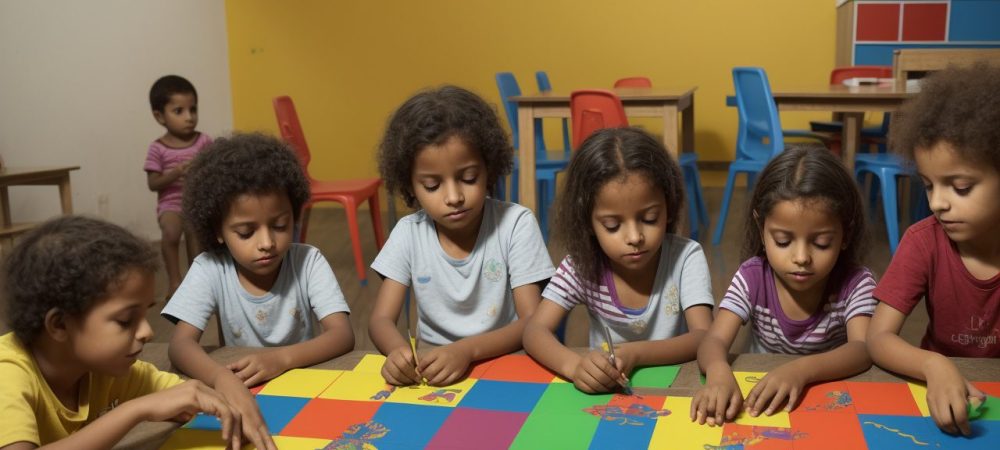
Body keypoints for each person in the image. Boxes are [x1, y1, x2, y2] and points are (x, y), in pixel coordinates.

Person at [163, 133, 354, 450]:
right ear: (218, 231)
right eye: (246, 231)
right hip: (244, 392)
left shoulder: (308, 261)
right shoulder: (210, 268)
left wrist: (281, 359)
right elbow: (180, 346)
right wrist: (221, 378)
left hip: (306, 383)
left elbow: (342, 335)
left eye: (280, 225)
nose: (267, 242)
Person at [0, 216, 243, 450]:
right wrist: (135, 410)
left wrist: (229, 399)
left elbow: (185, 396)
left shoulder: (105, 368)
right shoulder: (8, 373)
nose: (147, 332)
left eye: (144, 315)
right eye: (126, 321)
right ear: (60, 325)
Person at [369, 86, 554, 386]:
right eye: (432, 185)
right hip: (430, 372)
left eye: (468, 178)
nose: (454, 196)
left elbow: (533, 322)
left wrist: (466, 351)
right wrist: (398, 353)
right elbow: (380, 320)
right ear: (410, 186)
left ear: (489, 169)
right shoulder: (409, 233)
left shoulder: (516, 224)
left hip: (505, 364)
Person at [692, 146, 876, 426]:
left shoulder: (856, 283)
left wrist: (800, 371)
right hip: (759, 400)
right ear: (761, 228)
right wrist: (718, 373)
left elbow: (863, 349)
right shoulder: (752, 277)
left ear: (846, 234)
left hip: (826, 401)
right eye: (782, 241)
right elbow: (714, 340)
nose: (801, 258)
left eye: (821, 242)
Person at [523, 127, 714, 393]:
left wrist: (634, 354)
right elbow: (534, 332)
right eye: (612, 225)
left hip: (677, 388)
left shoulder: (685, 257)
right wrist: (574, 366)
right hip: (606, 394)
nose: (635, 237)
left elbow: (704, 337)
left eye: (649, 219)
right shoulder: (581, 264)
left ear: (669, 208)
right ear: (587, 222)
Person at [868, 64, 1000, 436]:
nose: (938, 203)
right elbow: (878, 338)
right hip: (937, 394)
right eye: (928, 185)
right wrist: (934, 366)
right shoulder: (923, 240)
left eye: (959, 187)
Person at [144, 75, 212, 299]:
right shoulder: (157, 148)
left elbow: (214, 172)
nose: (189, 117)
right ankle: (174, 281)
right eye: (179, 111)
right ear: (159, 116)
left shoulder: (203, 142)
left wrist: (201, 171)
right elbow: (153, 184)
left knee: (196, 236)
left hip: (195, 201)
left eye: (193, 110)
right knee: (171, 232)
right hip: (170, 204)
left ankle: (197, 283)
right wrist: (175, 173)